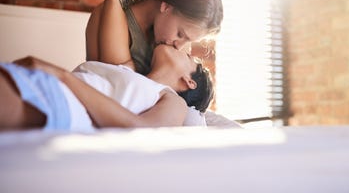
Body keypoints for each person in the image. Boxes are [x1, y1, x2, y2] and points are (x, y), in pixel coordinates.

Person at [0, 45, 213, 131]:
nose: (179, 46)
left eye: (187, 56)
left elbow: (141, 129)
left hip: (59, 102)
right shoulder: (129, 71)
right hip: (43, 81)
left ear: (189, 81)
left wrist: (63, 76)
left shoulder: (175, 101)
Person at [86, 0, 223, 75]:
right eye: (180, 34)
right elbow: (119, 83)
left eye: (189, 40)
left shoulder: (178, 40)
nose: (179, 47)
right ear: (167, 6)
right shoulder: (110, 13)